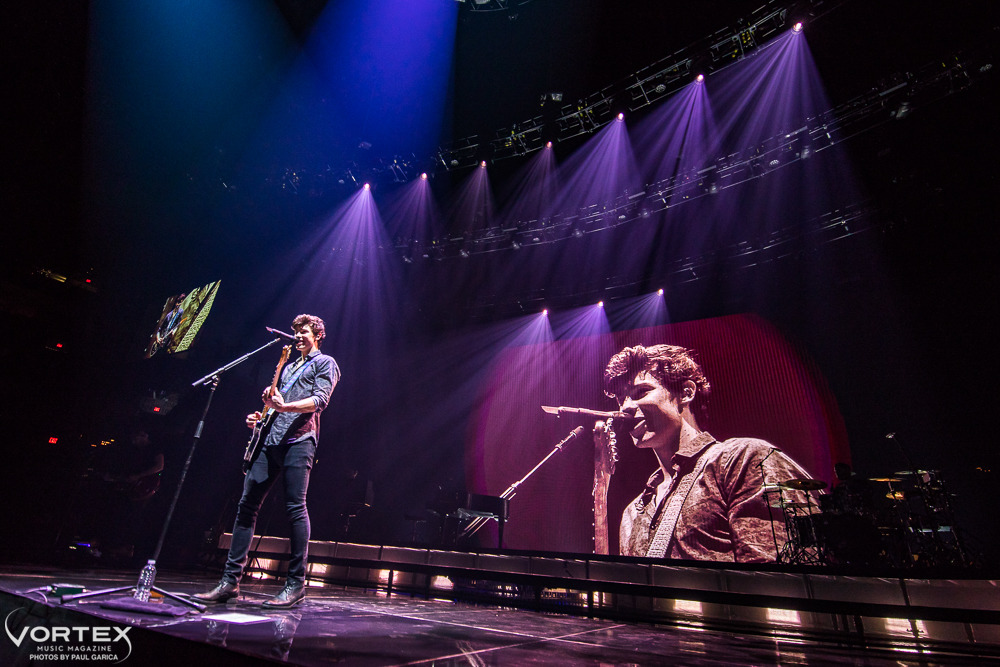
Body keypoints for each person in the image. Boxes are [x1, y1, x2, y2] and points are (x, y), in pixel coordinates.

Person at [602, 344, 814, 563]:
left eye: (641, 392)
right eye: (620, 399)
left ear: (686, 392)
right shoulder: (632, 513)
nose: (625, 407)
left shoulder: (743, 459)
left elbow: (778, 576)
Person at [196, 314, 340, 607]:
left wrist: (285, 406)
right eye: (296, 331)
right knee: (246, 506)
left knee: (295, 508)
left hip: (299, 441)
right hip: (269, 440)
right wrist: (260, 417)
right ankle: (229, 582)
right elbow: (275, 405)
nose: (298, 335)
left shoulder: (325, 363)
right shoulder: (288, 367)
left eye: (305, 331)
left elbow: (319, 400)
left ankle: (296, 584)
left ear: (318, 335)